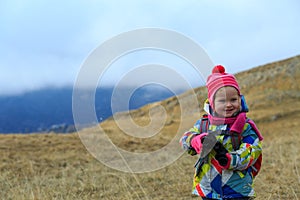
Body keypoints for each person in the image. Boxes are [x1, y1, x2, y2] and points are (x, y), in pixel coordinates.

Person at [180, 65, 263, 200]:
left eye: (233, 100)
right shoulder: (204, 124)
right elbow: (185, 139)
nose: (228, 104)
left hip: (237, 189)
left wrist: (230, 159)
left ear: (240, 99)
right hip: (208, 188)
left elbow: (253, 150)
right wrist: (197, 141)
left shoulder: (245, 126)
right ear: (212, 103)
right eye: (222, 101)